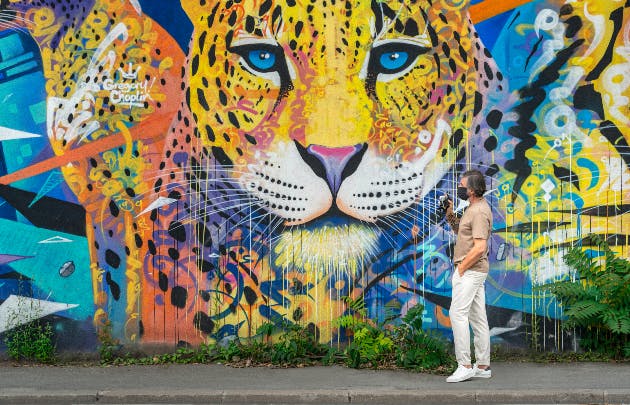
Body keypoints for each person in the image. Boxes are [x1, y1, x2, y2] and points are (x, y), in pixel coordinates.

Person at [444, 170, 493, 383]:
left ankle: (464, 365)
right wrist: (450, 215)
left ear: (472, 190)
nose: (459, 188)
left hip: (471, 271)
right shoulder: (472, 209)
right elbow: (464, 235)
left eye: (462, 186)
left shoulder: (480, 211)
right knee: (477, 318)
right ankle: (482, 366)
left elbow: (480, 247)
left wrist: (461, 269)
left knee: (457, 314)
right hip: (472, 271)